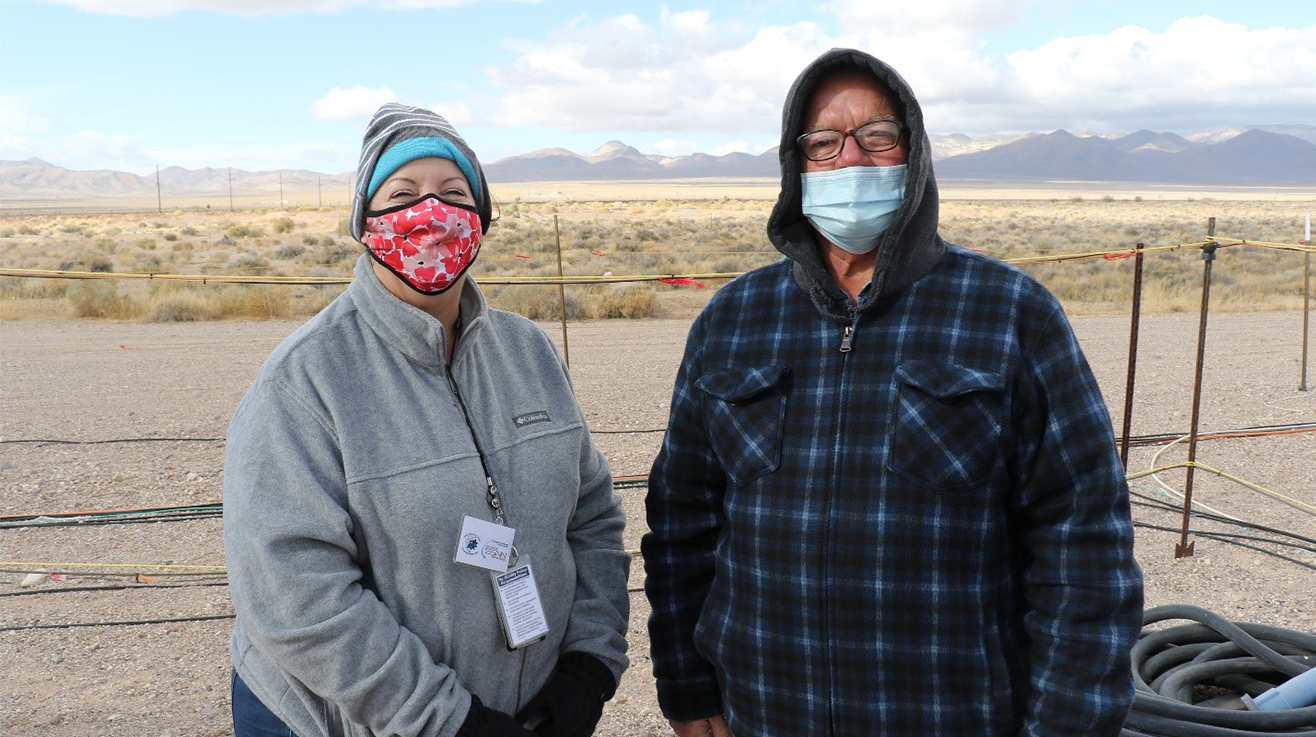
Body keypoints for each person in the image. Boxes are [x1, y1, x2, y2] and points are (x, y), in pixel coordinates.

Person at [643, 48, 1144, 737]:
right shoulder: (733, 320)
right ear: (798, 166)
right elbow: (681, 523)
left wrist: (1068, 723)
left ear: (915, 153)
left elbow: (1084, 542)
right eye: (824, 142)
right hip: (762, 715)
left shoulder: (1009, 312)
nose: (850, 159)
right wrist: (685, 684)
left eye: (877, 136)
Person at [223, 103, 630, 737]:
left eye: (453, 193)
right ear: (366, 222)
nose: (431, 214)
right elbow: (294, 593)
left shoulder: (530, 354)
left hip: (526, 711)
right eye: (403, 193)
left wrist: (588, 664)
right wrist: (446, 720)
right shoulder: (304, 383)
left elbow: (592, 515)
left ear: (482, 218)